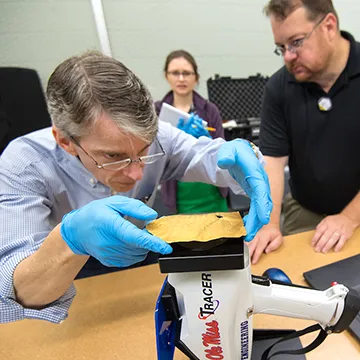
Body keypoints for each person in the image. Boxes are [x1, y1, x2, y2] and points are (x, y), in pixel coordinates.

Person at [0, 51, 272, 324]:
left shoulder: (157, 136)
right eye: (112, 156)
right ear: (66, 141)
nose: (137, 173)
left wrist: (243, 158)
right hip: (66, 281)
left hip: (142, 266)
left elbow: (203, 156)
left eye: (144, 151)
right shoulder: (25, 163)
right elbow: (15, 288)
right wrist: (70, 242)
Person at [249, 0, 360, 265]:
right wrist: (269, 223)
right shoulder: (279, 87)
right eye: (281, 47)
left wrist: (349, 218)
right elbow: (273, 164)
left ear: (329, 26)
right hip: (305, 209)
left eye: (296, 42)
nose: (288, 56)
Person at [155, 50, 228, 214]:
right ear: (167, 76)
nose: (181, 79)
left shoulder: (210, 110)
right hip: (178, 199)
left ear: (196, 78)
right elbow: (152, 159)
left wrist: (208, 142)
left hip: (212, 194)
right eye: (175, 73)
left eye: (187, 73)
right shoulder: (157, 112)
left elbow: (222, 155)